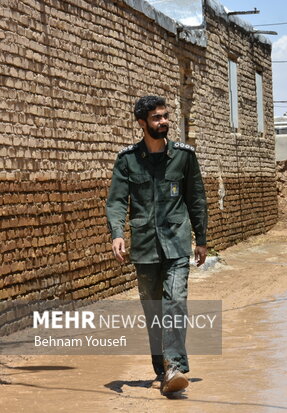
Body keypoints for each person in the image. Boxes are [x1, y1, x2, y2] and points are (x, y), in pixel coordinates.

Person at [106, 96, 208, 395]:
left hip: (176, 243)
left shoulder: (185, 156)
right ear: (142, 123)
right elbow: (115, 201)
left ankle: (175, 366)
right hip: (145, 247)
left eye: (165, 116)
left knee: (174, 302)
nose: (163, 122)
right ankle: (163, 370)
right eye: (156, 118)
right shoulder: (127, 160)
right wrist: (117, 233)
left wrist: (200, 239)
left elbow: (197, 198)